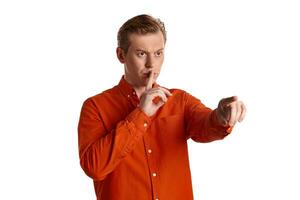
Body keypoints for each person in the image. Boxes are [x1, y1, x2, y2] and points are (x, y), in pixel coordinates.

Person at [78, 14, 246, 200]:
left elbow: (206, 124)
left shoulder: (179, 100)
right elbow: (94, 168)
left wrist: (221, 116)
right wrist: (140, 115)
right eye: (141, 53)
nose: (151, 64)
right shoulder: (95, 106)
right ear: (121, 55)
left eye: (158, 53)